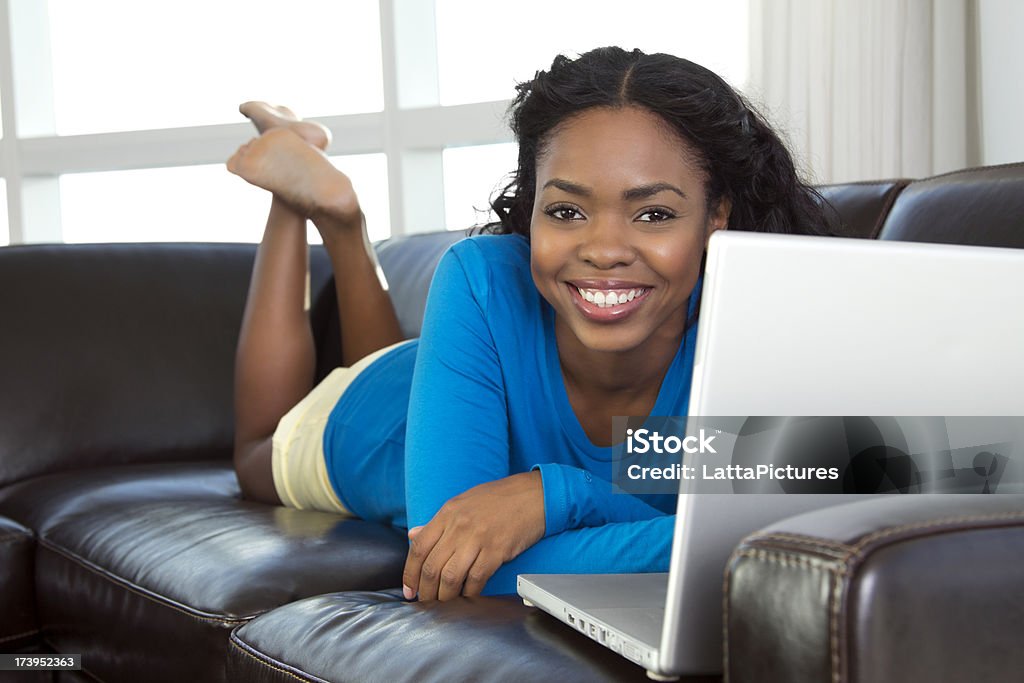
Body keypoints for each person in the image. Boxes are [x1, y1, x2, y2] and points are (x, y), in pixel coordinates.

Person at [227, 47, 836, 602]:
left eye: (653, 213)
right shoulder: (482, 276)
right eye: (567, 210)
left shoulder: (750, 323)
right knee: (255, 453)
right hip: (374, 419)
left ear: (716, 218)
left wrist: (558, 496)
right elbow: (461, 565)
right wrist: (602, 506)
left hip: (465, 388)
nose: (604, 249)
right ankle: (299, 199)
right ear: (532, 208)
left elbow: (878, 481)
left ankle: (342, 221)